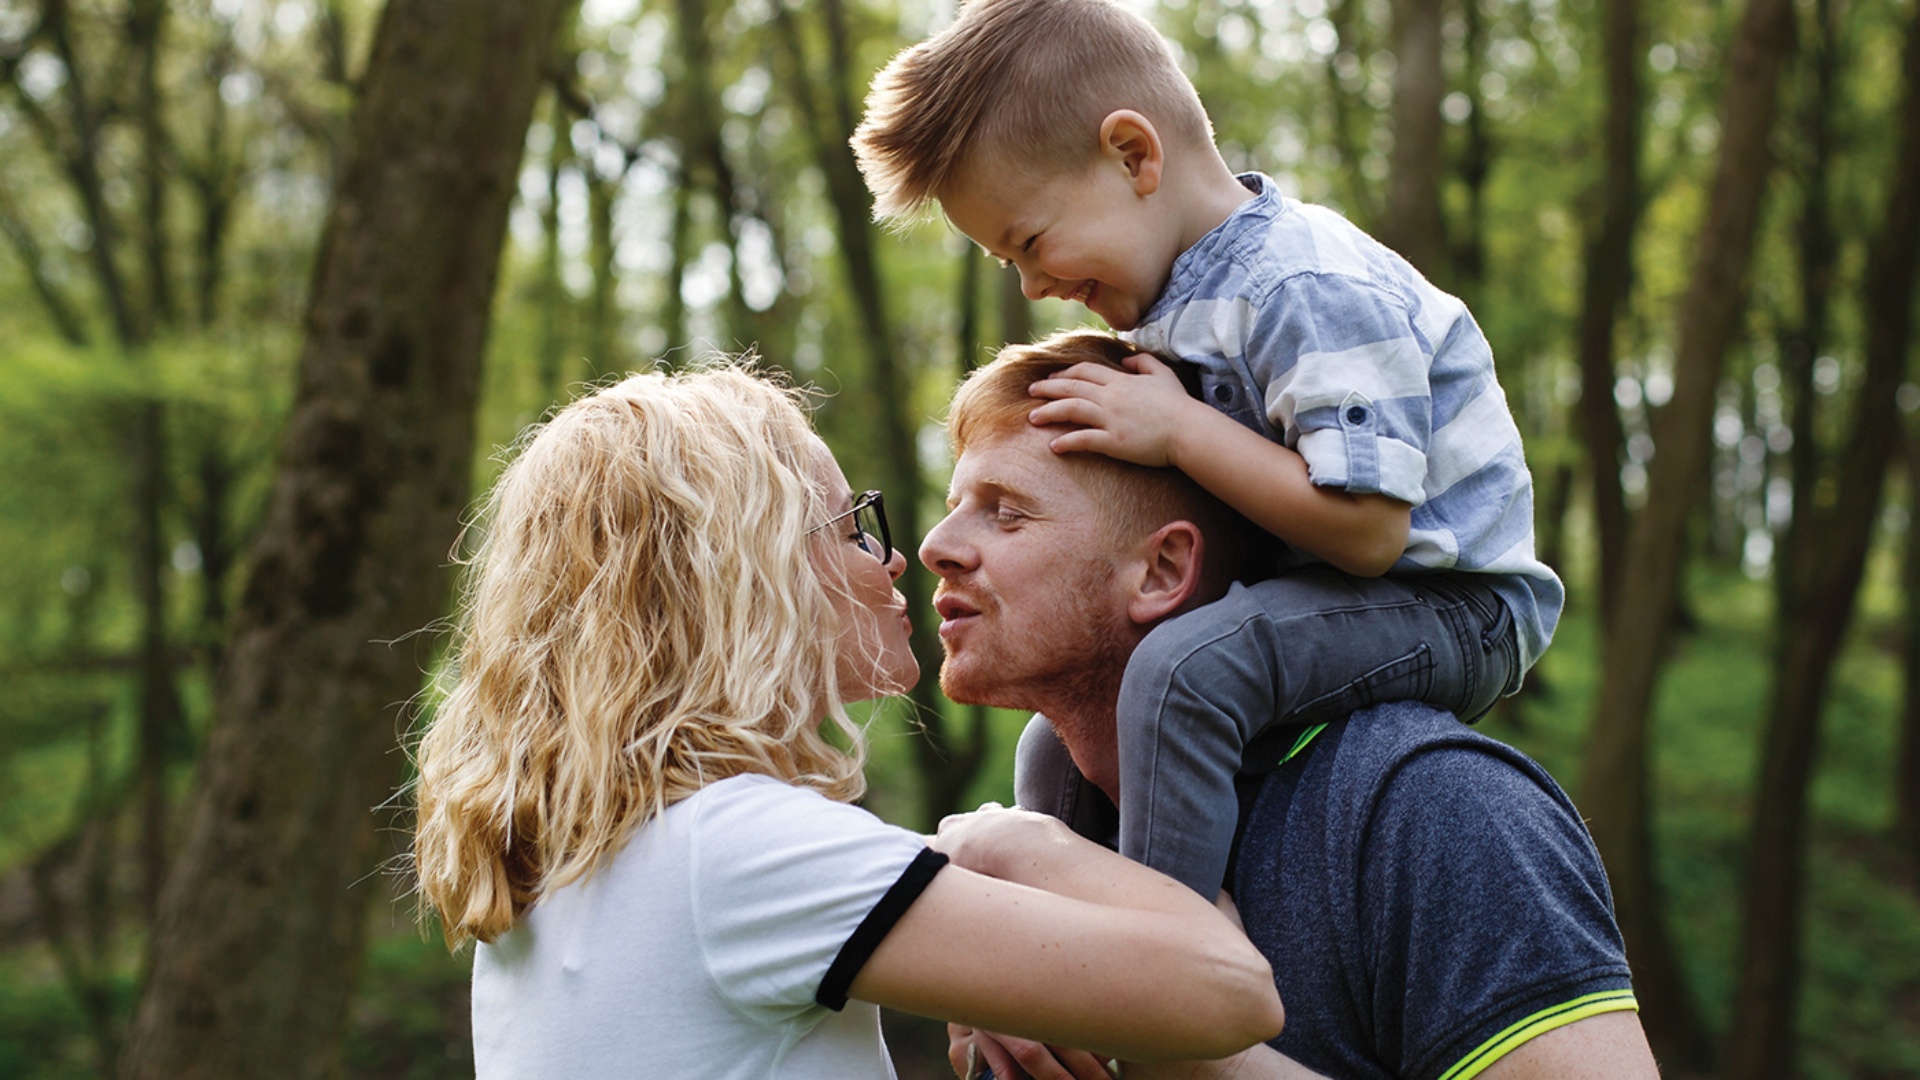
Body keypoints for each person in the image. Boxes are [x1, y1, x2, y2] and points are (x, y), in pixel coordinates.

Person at [853, 0, 1566, 901]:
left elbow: (1368, 533)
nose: (1034, 285)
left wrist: (1181, 430)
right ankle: (1049, 970)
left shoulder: (1300, 286)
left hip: (1448, 602)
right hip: (1328, 592)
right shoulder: (1180, 298)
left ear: (1133, 155)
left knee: (1183, 674)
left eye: (1030, 242)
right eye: (1008, 265)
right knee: (1061, 740)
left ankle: (1163, 958)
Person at [408, 364, 1283, 1078]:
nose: (899, 557)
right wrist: (1003, 844)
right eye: (850, 529)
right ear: (750, 575)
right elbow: (1233, 990)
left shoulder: (566, 879)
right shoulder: (735, 850)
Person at [920, 336, 1657, 1079]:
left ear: (1163, 569)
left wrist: (1211, 1059)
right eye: (954, 508)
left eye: (1007, 513)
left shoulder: (1432, 807)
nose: (935, 547)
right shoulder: (1056, 813)